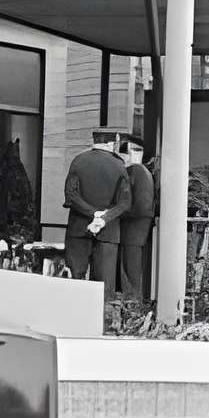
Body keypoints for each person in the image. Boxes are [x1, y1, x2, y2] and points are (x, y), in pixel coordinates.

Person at [62, 125, 132, 287]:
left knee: (74, 280)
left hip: (78, 228)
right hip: (108, 231)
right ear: (111, 143)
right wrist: (104, 217)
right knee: (104, 285)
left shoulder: (78, 161)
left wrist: (93, 213)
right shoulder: (119, 166)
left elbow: (70, 196)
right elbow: (125, 202)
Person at [117, 136, 157, 301]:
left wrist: (119, 212)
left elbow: (141, 205)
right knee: (131, 266)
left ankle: (132, 302)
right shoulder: (142, 171)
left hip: (133, 228)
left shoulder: (136, 171)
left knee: (130, 268)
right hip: (137, 227)